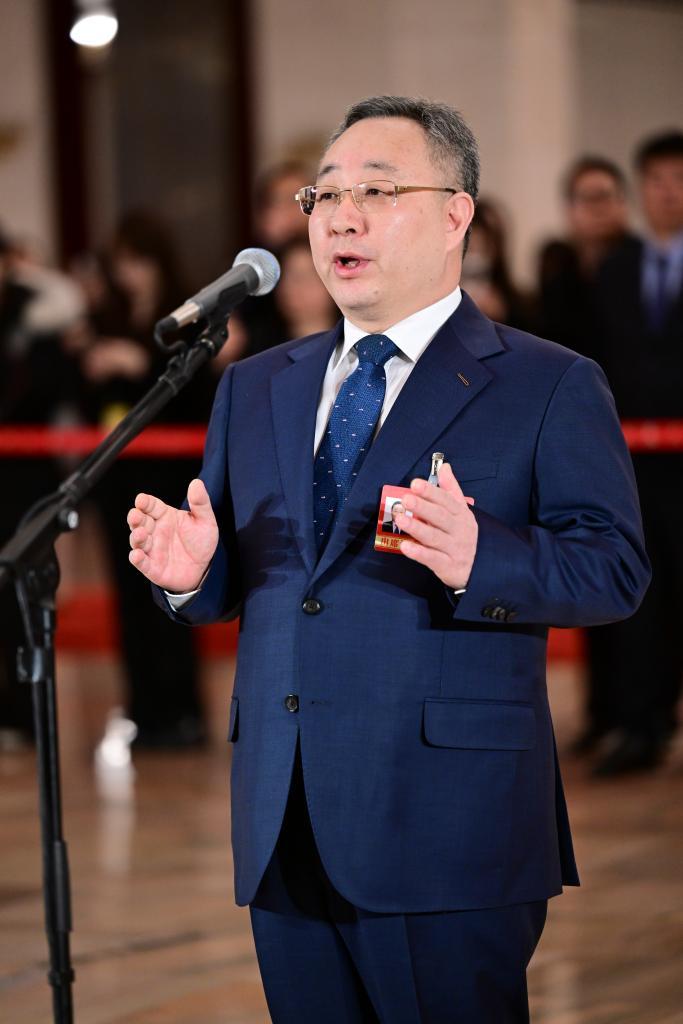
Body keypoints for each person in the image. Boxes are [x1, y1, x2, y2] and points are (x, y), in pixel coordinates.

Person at [127, 97, 649, 1021]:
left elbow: (613, 569)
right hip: (282, 816)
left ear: (455, 214)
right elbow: (257, 586)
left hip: (448, 819)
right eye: (323, 196)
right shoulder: (257, 385)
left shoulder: (546, 381)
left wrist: (481, 558)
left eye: (375, 191)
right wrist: (195, 578)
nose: (341, 217)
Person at [78, 210, 213, 748]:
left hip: (169, 475)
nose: (129, 274)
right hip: (119, 477)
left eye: (138, 262)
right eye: (122, 263)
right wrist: (95, 363)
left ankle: (183, 709)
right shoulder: (108, 315)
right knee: (129, 596)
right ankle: (143, 709)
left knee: (172, 590)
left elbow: (197, 396)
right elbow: (92, 404)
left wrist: (137, 364)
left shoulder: (187, 315)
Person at [589, 131, 683, 776]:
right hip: (633, 464)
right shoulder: (616, 270)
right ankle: (642, 723)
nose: (668, 193)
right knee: (641, 591)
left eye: (679, 180)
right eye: (656, 180)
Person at [537, 157, 635, 759]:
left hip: (640, 443)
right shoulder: (559, 270)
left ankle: (639, 719)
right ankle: (602, 714)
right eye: (583, 198)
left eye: (604, 196)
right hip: (571, 437)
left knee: (631, 591)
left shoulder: (643, 264)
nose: (594, 210)